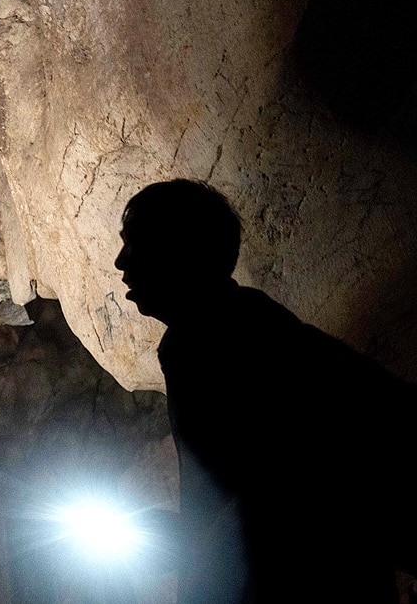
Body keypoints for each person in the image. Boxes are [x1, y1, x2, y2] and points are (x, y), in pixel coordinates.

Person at [115, 179, 410, 602]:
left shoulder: (240, 337)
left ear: (179, 250)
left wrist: (192, 541)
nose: (120, 262)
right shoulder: (220, 334)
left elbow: (294, 488)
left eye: (135, 244)